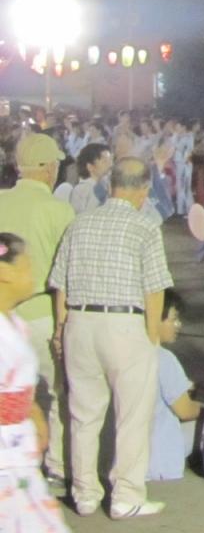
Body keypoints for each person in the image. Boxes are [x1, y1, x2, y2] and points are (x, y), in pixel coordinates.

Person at [49, 157, 173, 519]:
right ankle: (126, 496)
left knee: (83, 414)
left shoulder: (79, 224)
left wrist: (60, 328)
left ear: (111, 185)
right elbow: (154, 289)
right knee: (132, 415)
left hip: (80, 322)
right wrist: (152, 336)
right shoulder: (145, 227)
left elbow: (60, 285)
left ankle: (84, 493)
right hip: (125, 324)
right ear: (144, 190)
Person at [0, 133, 76, 490]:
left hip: (5, 316)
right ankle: (57, 465)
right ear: (48, 169)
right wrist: (63, 326)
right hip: (44, 314)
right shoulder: (59, 210)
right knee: (59, 392)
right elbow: (69, 274)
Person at [0, 232, 70, 533]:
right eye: (27, 266)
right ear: (4, 272)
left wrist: (33, 413)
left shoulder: (15, 323)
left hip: (18, 449)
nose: (34, 275)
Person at [148, 290, 201, 482]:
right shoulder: (164, 358)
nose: (178, 325)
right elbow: (185, 411)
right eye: (174, 319)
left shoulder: (129, 353)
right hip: (161, 463)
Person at [68, 143, 112, 215]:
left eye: (110, 160)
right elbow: (78, 216)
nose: (110, 164)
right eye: (104, 161)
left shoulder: (105, 186)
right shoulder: (81, 189)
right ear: (90, 167)